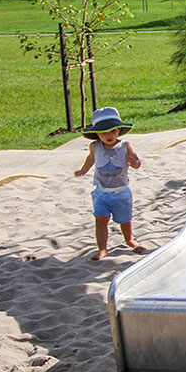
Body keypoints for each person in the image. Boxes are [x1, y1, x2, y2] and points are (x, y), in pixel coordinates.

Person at [74, 106, 144, 260]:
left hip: (121, 192)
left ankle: (130, 239)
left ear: (119, 130)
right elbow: (91, 159)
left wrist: (134, 163)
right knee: (101, 220)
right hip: (101, 193)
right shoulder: (95, 147)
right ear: (97, 134)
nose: (109, 135)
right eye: (104, 132)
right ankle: (102, 249)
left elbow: (137, 162)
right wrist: (83, 170)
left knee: (125, 220)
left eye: (112, 131)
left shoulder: (125, 146)